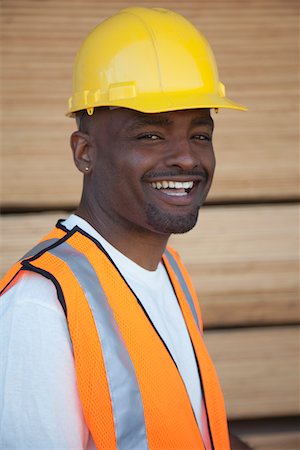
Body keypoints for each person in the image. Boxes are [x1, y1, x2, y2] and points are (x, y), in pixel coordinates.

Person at [0, 7, 250, 450]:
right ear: (84, 152)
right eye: (150, 135)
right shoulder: (40, 308)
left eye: (200, 134)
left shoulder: (170, 271)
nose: (188, 159)